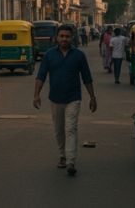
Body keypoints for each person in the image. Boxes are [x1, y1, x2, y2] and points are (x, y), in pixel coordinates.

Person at [33, 24, 97, 176]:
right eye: (61, 36)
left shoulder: (79, 55)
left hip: (73, 98)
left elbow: (87, 78)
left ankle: (71, 161)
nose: (64, 39)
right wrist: (36, 95)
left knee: (71, 129)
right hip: (55, 98)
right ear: (56, 38)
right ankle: (62, 155)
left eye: (67, 36)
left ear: (72, 37)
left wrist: (92, 97)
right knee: (59, 130)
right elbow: (41, 76)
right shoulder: (49, 55)